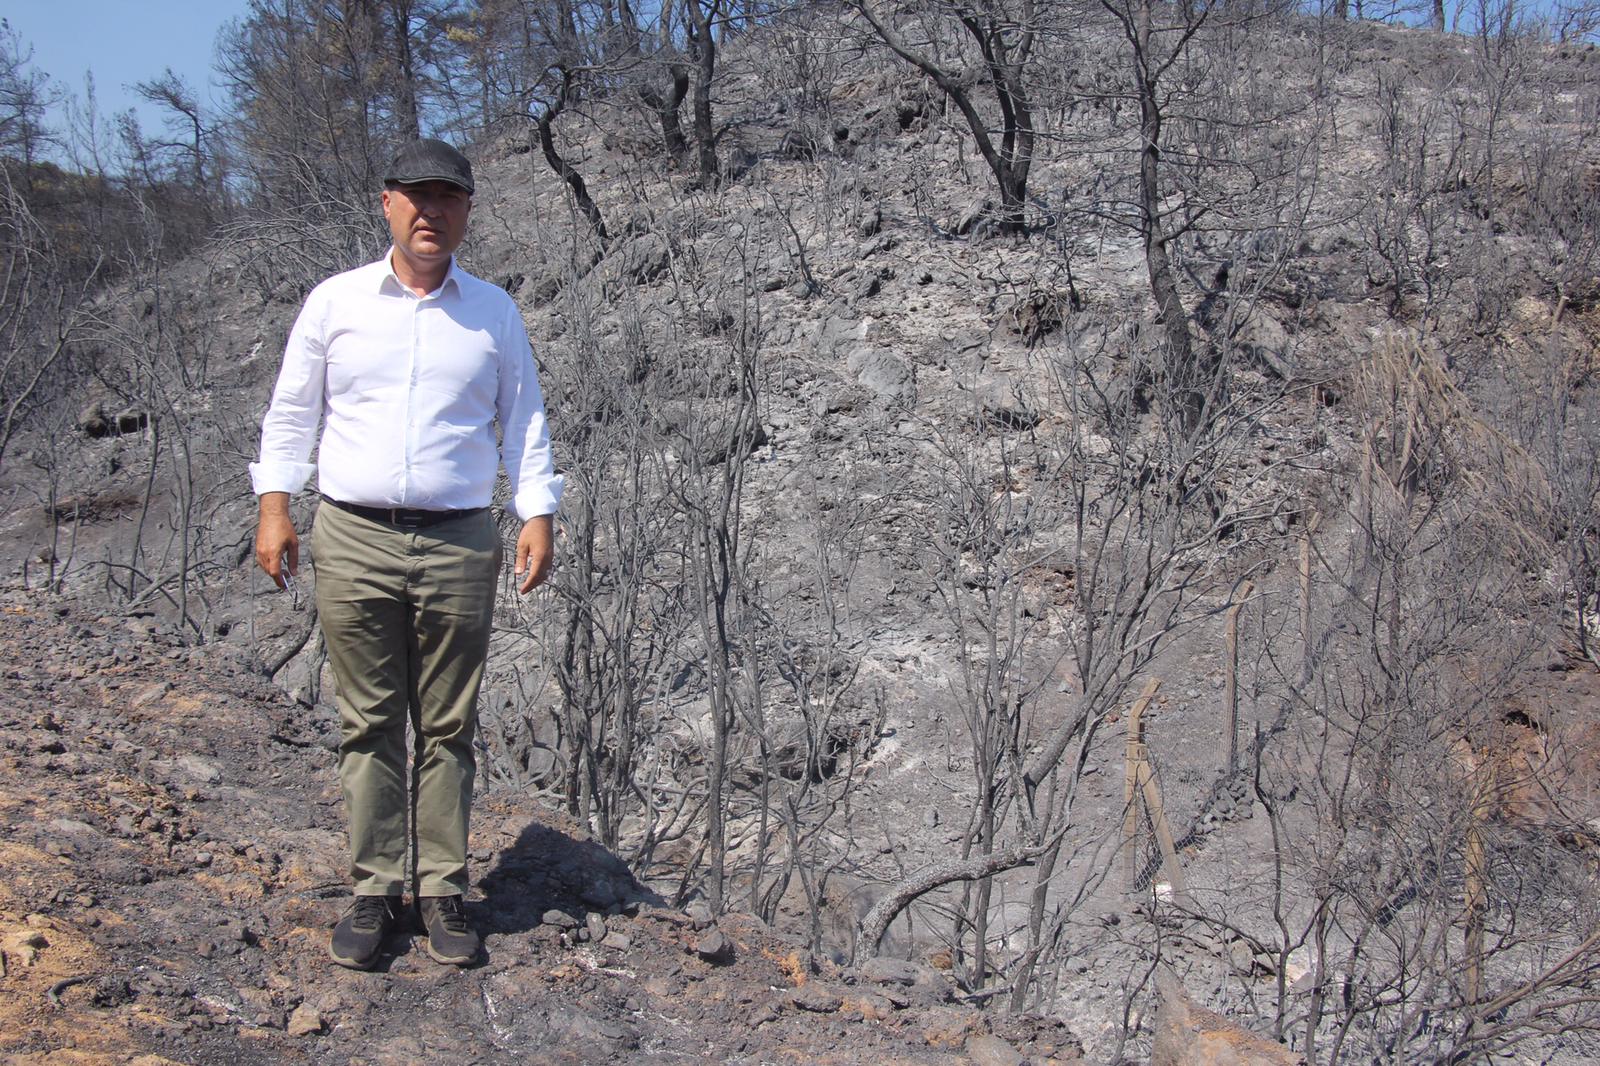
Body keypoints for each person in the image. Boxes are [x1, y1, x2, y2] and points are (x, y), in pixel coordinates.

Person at [249, 138, 561, 969]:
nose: (431, 213)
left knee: (449, 722)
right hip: (352, 534)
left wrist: (538, 511)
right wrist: (275, 504)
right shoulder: (336, 303)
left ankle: (444, 891)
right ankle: (376, 887)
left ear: (467, 211)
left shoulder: (492, 310)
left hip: (460, 538)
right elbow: (291, 412)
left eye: (448, 198)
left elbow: (524, 420)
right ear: (387, 203)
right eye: (416, 197)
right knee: (371, 719)